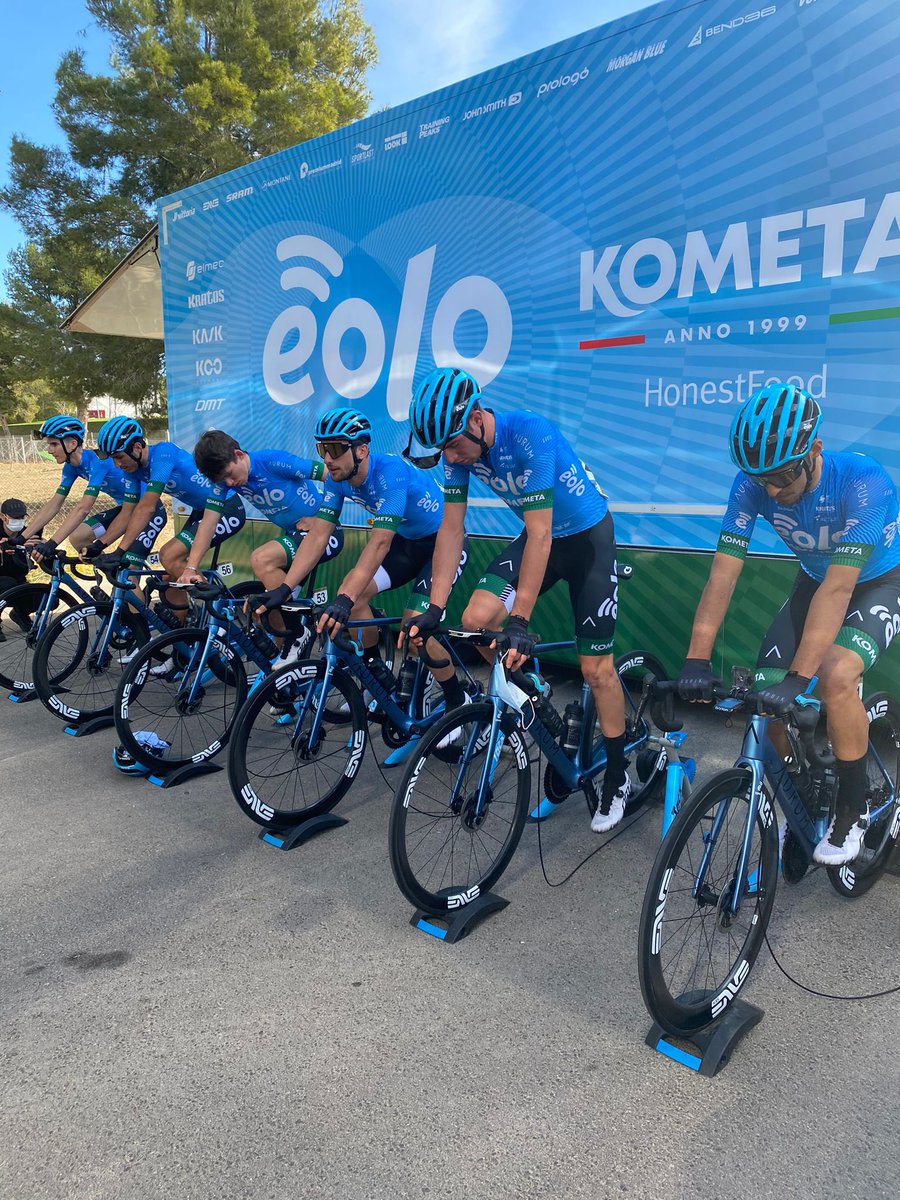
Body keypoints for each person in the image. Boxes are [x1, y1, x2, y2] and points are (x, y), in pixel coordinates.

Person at [675, 382, 900, 866]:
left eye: (781, 476)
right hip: (814, 579)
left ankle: (852, 806)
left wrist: (802, 677)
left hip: (878, 580)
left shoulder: (865, 481)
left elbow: (840, 589)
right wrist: (697, 655)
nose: (772, 491)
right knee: (764, 695)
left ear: (814, 449)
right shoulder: (754, 482)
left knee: (835, 676)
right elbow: (723, 571)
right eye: (761, 480)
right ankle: (799, 800)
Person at [405, 366, 628, 833]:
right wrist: (434, 607)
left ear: (476, 418)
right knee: (478, 619)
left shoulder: (529, 433)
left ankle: (617, 771)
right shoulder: (456, 456)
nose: (450, 456)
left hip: (586, 539)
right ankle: (539, 701)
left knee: (595, 669)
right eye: (443, 449)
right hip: (539, 536)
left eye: (453, 443)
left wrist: (522, 618)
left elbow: (542, 533)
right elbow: (450, 529)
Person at [256, 406, 469, 714]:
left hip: (445, 544)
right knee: (352, 597)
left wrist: (345, 597)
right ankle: (376, 674)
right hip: (408, 542)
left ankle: (456, 700)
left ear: (361, 450)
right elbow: (318, 536)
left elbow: (381, 541)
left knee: (412, 627)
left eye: (334, 449)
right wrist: (286, 587)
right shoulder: (336, 479)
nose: (326, 458)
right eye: (321, 448)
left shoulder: (390, 473)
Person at [91, 416, 245, 620]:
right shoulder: (133, 469)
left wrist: (120, 551)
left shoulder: (163, 454)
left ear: (137, 447)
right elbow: (128, 512)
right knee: (171, 581)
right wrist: (100, 545)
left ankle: (221, 612)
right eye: (112, 459)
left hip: (227, 508)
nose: (117, 465)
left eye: (119, 457)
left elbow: (146, 508)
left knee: (169, 555)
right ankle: (184, 636)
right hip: (202, 510)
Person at [14, 416, 129, 562]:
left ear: (72, 444)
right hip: (125, 508)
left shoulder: (98, 462)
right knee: (78, 537)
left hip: (143, 508)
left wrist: (52, 543)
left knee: (130, 572)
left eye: (54, 444)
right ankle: (108, 571)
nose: (49, 450)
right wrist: (21, 538)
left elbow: (83, 509)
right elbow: (54, 505)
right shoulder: (70, 468)